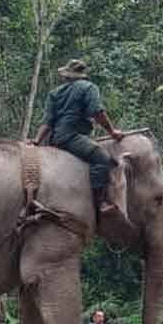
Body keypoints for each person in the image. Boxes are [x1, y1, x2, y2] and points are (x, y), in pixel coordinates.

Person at [31, 59, 126, 222]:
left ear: (67, 76)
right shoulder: (89, 88)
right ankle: (98, 204)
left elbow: (48, 121)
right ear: (82, 76)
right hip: (71, 138)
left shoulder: (55, 93)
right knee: (102, 159)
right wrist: (112, 132)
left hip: (53, 140)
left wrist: (37, 140)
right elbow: (97, 112)